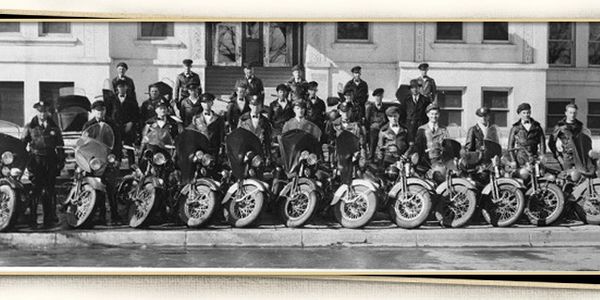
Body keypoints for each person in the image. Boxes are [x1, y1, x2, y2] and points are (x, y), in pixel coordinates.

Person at [22, 101, 65, 228]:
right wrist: (26, 163)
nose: (42, 114)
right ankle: (32, 218)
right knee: (35, 190)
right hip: (36, 160)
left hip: (50, 160)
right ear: (37, 112)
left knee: (49, 190)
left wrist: (61, 161)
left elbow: (60, 146)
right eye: (40, 111)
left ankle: (49, 218)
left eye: (45, 111)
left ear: (48, 112)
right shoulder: (30, 126)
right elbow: (23, 145)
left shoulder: (54, 127)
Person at [82, 100, 123, 225]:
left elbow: (118, 143)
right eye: (97, 110)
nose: (100, 112)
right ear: (93, 111)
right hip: (95, 161)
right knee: (97, 188)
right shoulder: (88, 125)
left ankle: (115, 215)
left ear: (105, 111)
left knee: (111, 188)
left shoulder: (112, 124)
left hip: (109, 159)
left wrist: (117, 159)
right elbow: (84, 144)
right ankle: (101, 215)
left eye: (102, 110)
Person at [548, 104, 587, 171]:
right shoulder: (560, 126)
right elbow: (551, 143)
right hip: (567, 156)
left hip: (579, 156)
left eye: (574, 113)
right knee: (567, 177)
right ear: (566, 113)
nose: (572, 115)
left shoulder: (579, 125)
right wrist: (558, 156)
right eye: (570, 113)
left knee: (581, 178)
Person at [507, 103, 546, 167]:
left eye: (528, 113)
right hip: (520, 158)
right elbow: (510, 147)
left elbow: (542, 143)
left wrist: (542, 156)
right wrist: (513, 160)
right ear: (519, 114)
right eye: (524, 113)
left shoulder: (537, 126)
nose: (526, 115)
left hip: (534, 157)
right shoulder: (515, 128)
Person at [115, 79, 140, 165]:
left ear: (126, 88)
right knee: (116, 147)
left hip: (128, 126)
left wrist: (131, 123)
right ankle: (115, 167)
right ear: (117, 88)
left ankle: (132, 167)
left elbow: (136, 114)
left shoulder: (132, 100)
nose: (121, 89)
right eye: (119, 87)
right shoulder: (112, 99)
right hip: (116, 127)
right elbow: (109, 113)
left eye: (123, 87)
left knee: (129, 147)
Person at [365, 88, 388, 160]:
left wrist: (382, 126)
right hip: (373, 128)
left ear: (382, 97)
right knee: (373, 136)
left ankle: (382, 158)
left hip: (383, 128)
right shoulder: (370, 108)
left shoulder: (385, 108)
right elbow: (367, 120)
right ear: (374, 97)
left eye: (380, 96)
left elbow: (387, 120)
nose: (379, 98)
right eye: (377, 96)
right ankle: (371, 157)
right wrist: (368, 129)